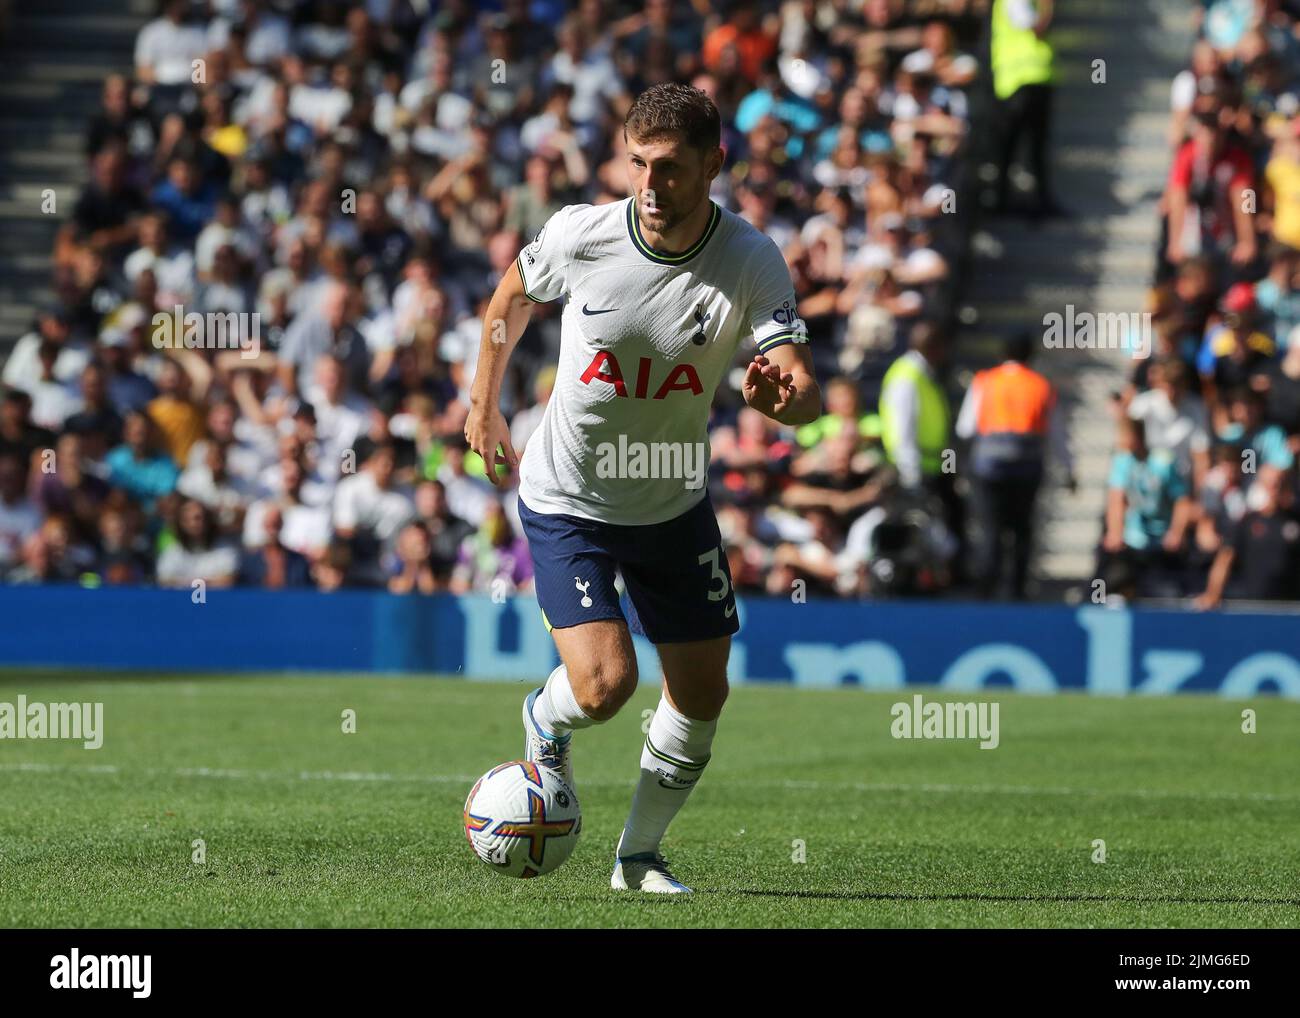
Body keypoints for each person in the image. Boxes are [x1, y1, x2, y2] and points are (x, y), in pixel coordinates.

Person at [463, 83, 821, 894]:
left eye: (672, 169)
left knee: (702, 693)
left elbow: (803, 389)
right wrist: (481, 402)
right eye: (640, 166)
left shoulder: (751, 257)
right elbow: (509, 298)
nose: (652, 187)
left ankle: (636, 859)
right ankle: (542, 717)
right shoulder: (580, 235)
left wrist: (787, 401)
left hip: (671, 503)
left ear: (714, 166)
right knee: (606, 687)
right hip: (569, 499)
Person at [955, 331, 1073, 598]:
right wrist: (1069, 470)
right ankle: (1018, 591)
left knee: (990, 528)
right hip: (1027, 468)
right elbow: (1058, 435)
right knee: (1021, 530)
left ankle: (986, 590)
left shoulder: (984, 381)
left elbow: (965, 428)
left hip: (988, 468)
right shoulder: (1041, 385)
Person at [989, 0, 1061, 218]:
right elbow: (1037, 28)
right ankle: (1003, 201)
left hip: (1035, 80)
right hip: (1018, 84)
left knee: (1036, 144)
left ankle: (1039, 200)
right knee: (1011, 145)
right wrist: (1047, 5)